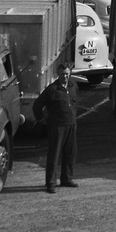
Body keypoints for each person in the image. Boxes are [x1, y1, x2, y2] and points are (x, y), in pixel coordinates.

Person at [33, 63, 78, 192]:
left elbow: (75, 102)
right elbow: (37, 105)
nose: (65, 76)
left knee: (70, 154)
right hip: (57, 127)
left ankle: (67, 179)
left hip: (71, 125)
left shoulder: (73, 85)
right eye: (63, 74)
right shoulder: (52, 90)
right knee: (54, 155)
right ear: (58, 74)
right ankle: (51, 183)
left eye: (67, 74)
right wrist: (41, 119)